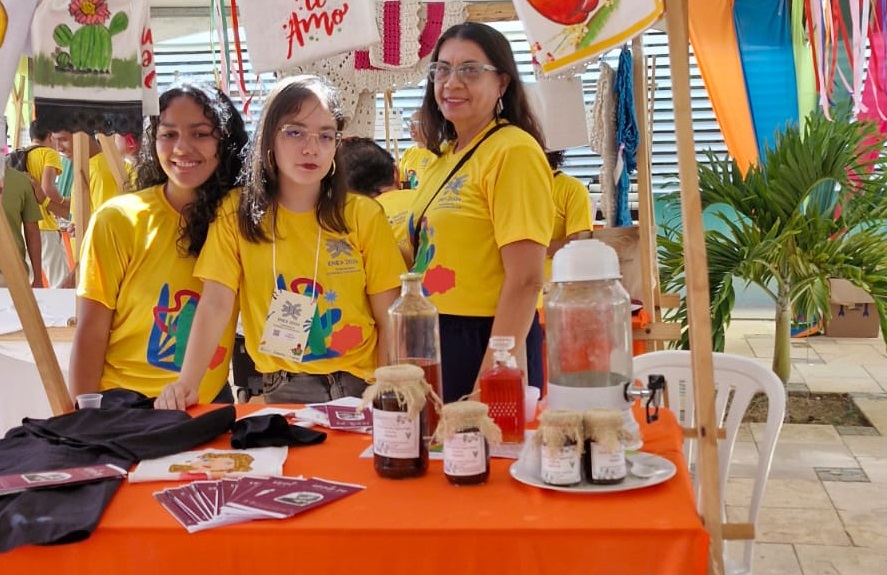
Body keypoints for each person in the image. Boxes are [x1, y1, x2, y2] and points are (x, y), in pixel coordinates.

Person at [155, 75, 405, 410]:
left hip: (359, 388)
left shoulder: (363, 215)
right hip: (281, 389)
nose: (311, 148)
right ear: (269, 138)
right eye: (295, 132)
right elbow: (215, 304)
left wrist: (387, 396)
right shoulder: (237, 212)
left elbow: (390, 316)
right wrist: (187, 383)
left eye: (325, 135)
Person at [68, 82, 249, 405]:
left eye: (200, 133)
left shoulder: (243, 221)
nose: (182, 147)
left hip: (207, 408)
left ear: (226, 141)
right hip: (124, 410)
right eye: (168, 134)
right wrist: (83, 419)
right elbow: (90, 334)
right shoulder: (118, 220)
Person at [406, 22, 554, 401]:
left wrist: (492, 376)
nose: (451, 83)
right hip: (435, 337)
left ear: (502, 82)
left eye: (470, 70)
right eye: (441, 69)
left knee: (481, 439)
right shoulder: (442, 157)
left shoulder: (513, 151)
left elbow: (526, 280)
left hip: (487, 339)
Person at [23, 122, 68, 287]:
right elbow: (48, 189)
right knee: (60, 281)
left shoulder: (18, 154)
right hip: (45, 226)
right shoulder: (49, 153)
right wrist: (65, 203)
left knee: (29, 282)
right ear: (50, 136)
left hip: (23, 227)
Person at [0, 165, 42, 288]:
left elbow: (32, 233)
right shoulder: (21, 181)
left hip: (11, 273)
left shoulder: (22, 182)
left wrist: (38, 278)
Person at [399, 110, 435, 189]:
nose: (411, 128)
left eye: (415, 123)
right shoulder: (408, 152)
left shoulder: (437, 152)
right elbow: (402, 182)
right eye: (410, 123)